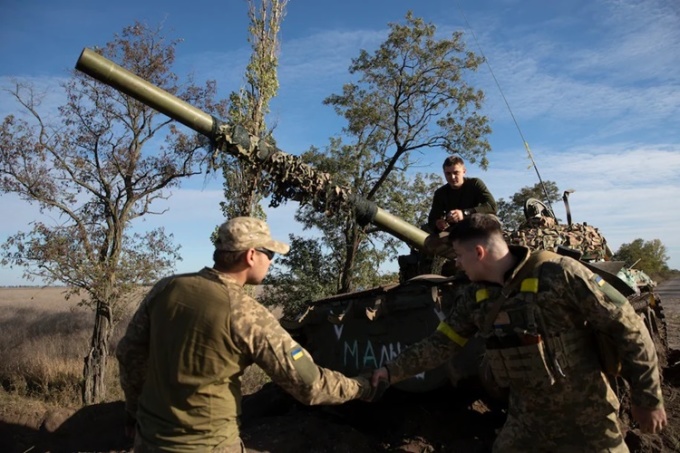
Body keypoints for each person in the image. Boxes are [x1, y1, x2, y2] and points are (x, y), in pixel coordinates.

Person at [372, 214, 666, 452]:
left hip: (587, 420)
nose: (457, 263)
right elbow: (440, 344)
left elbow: (629, 329)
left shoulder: (560, 273)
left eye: (459, 256)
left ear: (479, 252)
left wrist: (648, 398)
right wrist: (390, 371)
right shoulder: (475, 297)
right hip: (527, 422)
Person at [117, 217, 374, 452]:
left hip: (149, 441)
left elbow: (129, 353)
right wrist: (363, 386)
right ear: (251, 255)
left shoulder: (167, 288)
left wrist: (132, 411)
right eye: (270, 253)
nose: (271, 261)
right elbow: (310, 384)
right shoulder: (246, 313)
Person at [427, 156, 497, 233]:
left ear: (464, 171)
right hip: (455, 232)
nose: (452, 177)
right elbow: (432, 219)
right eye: (448, 174)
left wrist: (464, 213)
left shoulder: (475, 184)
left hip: (479, 228)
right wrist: (438, 223)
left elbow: (492, 207)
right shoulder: (440, 193)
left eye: (456, 173)